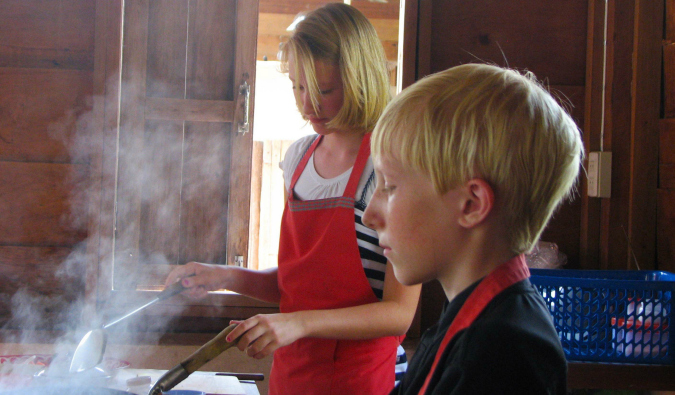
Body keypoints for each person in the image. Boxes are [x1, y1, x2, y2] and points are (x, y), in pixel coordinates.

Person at [164, 3, 420, 395]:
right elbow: (297, 287)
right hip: (294, 377)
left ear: (361, 78)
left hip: (365, 380)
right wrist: (222, 276)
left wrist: (300, 322)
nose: (306, 104)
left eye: (323, 90)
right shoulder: (298, 160)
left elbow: (398, 314)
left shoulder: (388, 167)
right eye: (297, 87)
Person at [362, 63, 582, 394]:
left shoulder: (502, 353)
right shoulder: (468, 319)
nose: (369, 215)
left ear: (471, 204)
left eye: (389, 187)